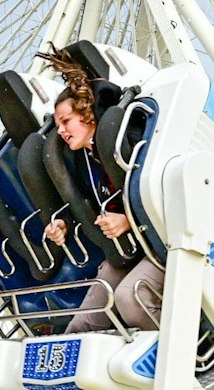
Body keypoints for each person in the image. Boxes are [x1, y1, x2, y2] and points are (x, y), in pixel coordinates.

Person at [36, 70, 163, 334]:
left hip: (161, 243)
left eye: (65, 121)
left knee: (132, 298)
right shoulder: (84, 161)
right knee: (80, 326)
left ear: (87, 115)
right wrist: (64, 225)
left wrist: (129, 220)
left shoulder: (128, 142)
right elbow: (91, 206)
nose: (60, 131)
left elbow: (161, 190)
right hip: (128, 250)